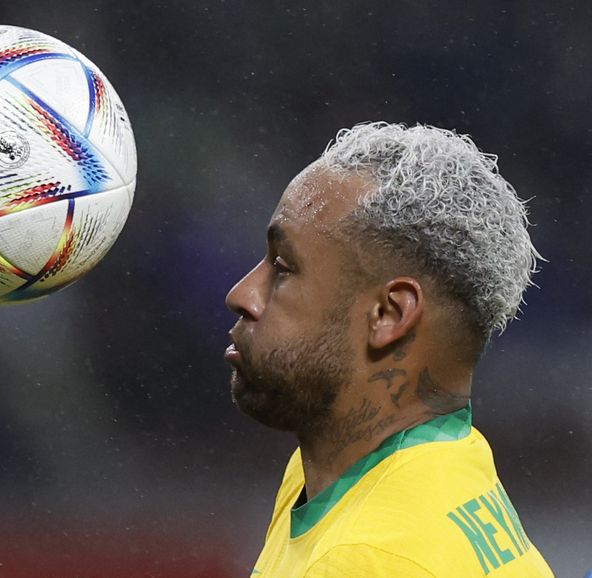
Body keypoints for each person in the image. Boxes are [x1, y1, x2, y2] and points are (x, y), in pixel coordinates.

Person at [224, 122, 554, 577]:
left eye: (282, 267)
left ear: (389, 314)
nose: (242, 294)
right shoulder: (431, 467)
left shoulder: (369, 558)